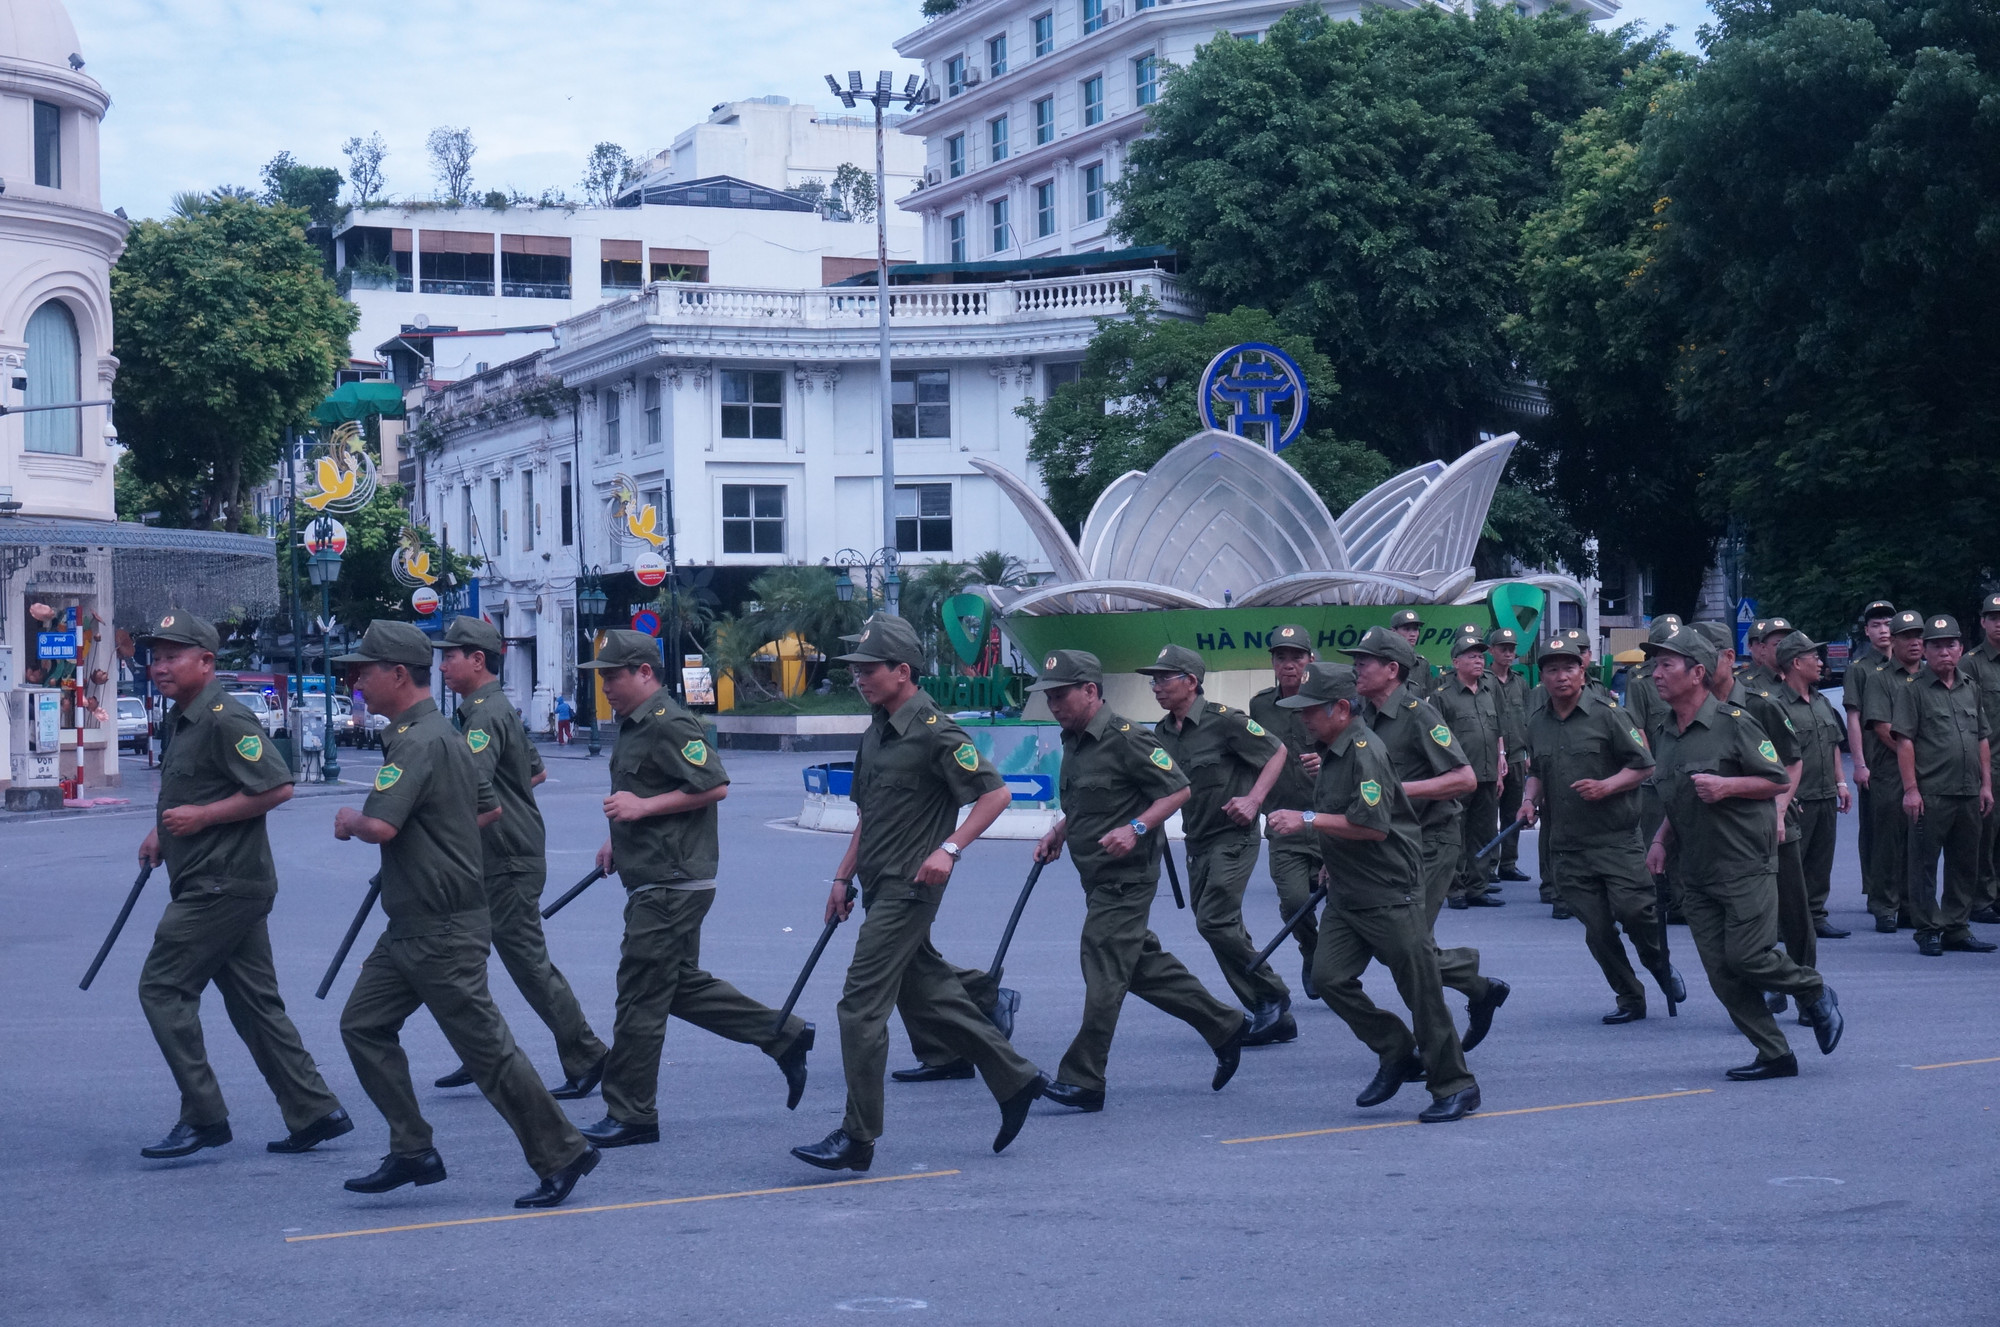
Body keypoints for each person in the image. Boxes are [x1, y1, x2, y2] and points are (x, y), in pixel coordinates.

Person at [331, 620, 598, 1209]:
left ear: (398, 674)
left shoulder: (420, 741)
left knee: (488, 1053)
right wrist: (434, 839)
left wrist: (352, 822)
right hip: (414, 922)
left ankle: (562, 1151)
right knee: (363, 1024)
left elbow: (380, 826)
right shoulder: (444, 734)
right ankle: (412, 1149)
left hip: (441, 928)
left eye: (364, 670)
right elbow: (485, 807)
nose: (356, 682)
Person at [791, 616, 1044, 1171]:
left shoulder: (935, 731)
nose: (859, 678)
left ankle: (858, 1136)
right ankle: (1016, 1079)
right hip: (877, 885)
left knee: (859, 1008)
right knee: (930, 995)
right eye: (855, 669)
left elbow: (995, 796)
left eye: (868, 669)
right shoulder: (877, 731)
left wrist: (949, 849)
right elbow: (869, 815)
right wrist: (842, 876)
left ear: (902, 671)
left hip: (911, 888)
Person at [568, 631, 813, 1151]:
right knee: (672, 986)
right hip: (657, 875)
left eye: (612, 676)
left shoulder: (669, 722)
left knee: (639, 994)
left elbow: (713, 784)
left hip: (672, 883)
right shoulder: (636, 724)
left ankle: (632, 1113)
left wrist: (640, 809)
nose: (605, 686)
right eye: (601, 677)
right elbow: (646, 789)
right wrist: (619, 836)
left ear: (644, 673)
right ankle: (783, 1034)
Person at [130, 612, 349, 1162]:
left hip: (221, 885)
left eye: (173, 656)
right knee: (254, 1004)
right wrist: (163, 831)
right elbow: (197, 788)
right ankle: (315, 1110)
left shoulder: (225, 717)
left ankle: (204, 1116)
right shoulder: (183, 718)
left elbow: (277, 786)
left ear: (206, 661)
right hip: (220, 880)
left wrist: (202, 818)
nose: (160, 667)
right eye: (156, 657)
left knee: (162, 988)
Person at [1030, 650, 1248, 1114]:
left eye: (1061, 695)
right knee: (1139, 966)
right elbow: (1088, 801)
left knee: (1102, 967)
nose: (1053, 705)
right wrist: (1059, 832)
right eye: (1049, 697)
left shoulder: (1126, 737)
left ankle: (1084, 1078)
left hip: (1127, 879)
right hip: (1096, 878)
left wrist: (1136, 828)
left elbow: (1179, 789)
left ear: (1090, 690)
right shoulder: (1075, 741)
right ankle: (1224, 1024)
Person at [1267, 663, 1480, 1121]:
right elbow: (1342, 813)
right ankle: (1396, 1050)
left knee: (1421, 991)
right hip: (1347, 890)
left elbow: (1372, 826)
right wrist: (1329, 858)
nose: (1303, 718)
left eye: (1311, 710)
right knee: (1328, 978)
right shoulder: (1334, 750)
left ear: (1341, 709)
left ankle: (1456, 1085)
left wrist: (1306, 820)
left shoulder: (1365, 752)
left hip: (1388, 891)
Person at [1642, 625, 1843, 1080]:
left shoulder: (1735, 722)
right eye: (1655, 665)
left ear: (1697, 673)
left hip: (1744, 862)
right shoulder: (1665, 732)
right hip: (1695, 869)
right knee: (1721, 973)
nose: (1656, 674)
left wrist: (1727, 786)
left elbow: (1776, 779)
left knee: (1748, 957)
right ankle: (1774, 1053)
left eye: (1666, 664)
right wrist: (1659, 840)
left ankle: (1813, 989)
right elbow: (1677, 795)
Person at [431, 616, 609, 1099]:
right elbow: (534, 772)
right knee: (462, 954)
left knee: (527, 963)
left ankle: (588, 1054)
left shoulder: (485, 715)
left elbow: (470, 787)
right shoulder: (494, 708)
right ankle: (484, 1051)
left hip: (505, 856)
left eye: (450, 656)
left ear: (477, 660)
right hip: (500, 851)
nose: (442, 665)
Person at [1347, 626, 1510, 1051]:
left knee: (1409, 946)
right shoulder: (1363, 716)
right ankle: (1475, 984)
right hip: (1390, 845)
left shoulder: (1420, 713)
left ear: (1391, 669)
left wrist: (1400, 790)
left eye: (1364, 661)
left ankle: (1434, 1044)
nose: (1356, 668)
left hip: (1432, 840)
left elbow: (1463, 778)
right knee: (1403, 945)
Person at [1516, 636, 1682, 1023]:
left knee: (1635, 912)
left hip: (1615, 839)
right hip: (1568, 845)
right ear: (1542, 677)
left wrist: (1607, 786)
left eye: (1569, 668)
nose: (1561, 677)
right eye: (1552, 670)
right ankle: (1629, 996)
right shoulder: (1537, 722)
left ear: (1582, 672)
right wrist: (1528, 800)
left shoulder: (1608, 714)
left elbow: (1644, 765)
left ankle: (1658, 964)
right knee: (1597, 928)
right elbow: (1537, 770)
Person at [1139, 644, 1295, 1044]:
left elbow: (1277, 751)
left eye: (1164, 678)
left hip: (1234, 836)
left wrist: (1254, 800)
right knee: (1220, 926)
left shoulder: (1225, 720)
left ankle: (1272, 994)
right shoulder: (1160, 734)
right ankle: (1269, 1010)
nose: (1156, 687)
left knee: (1214, 920)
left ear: (1191, 682)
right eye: (1153, 680)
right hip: (1198, 841)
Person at [1890, 614, 1995, 956]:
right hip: (1931, 791)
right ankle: (1928, 929)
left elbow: (1981, 738)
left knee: (1964, 863)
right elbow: (1905, 741)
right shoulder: (1914, 690)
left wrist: (1986, 786)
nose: (1944, 652)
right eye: (1936, 646)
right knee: (1923, 864)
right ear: (1926, 651)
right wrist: (1911, 790)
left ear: (1960, 648)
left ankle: (1956, 926)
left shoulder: (1970, 687)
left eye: (1950, 645)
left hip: (1968, 791)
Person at [1249, 624, 1326, 1000]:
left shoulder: (1329, 699)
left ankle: (1334, 963)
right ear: (1273, 663)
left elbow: (1354, 745)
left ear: (1310, 659)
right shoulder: (1261, 706)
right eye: (1281, 657)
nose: (1289, 664)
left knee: (1348, 900)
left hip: (1330, 819)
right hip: (1283, 821)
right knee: (1295, 902)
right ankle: (1312, 952)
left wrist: (1326, 761)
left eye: (1297, 657)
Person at [1771, 632, 1852, 943]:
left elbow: (1833, 745)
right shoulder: (1776, 705)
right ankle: (1783, 923)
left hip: (1825, 794)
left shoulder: (1821, 702)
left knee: (1820, 861)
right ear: (1795, 663)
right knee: (1791, 865)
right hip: (1796, 799)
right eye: (1814, 657)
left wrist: (1840, 782)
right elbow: (1772, 757)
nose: (1820, 663)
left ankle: (1815, 916)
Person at [1862, 611, 1928, 930]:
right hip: (1890, 772)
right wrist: (1916, 756)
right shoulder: (1880, 679)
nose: (1914, 642)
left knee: (1919, 841)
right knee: (1889, 841)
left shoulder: (1931, 677)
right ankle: (1884, 906)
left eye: (1918, 636)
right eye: (1907, 636)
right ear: (1896, 641)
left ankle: (1911, 905)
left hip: (1928, 773)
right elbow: (1883, 728)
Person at [1432, 625, 1505, 907]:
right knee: (1455, 834)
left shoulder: (1489, 690)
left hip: (1487, 774)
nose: (1478, 660)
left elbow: (1497, 730)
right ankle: (1455, 889)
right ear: (1456, 662)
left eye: (1480, 655)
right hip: (1458, 777)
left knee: (1483, 832)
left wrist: (1500, 765)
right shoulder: (1442, 695)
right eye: (1471, 656)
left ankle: (1478, 886)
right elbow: (1436, 741)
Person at [1843, 600, 1899, 927]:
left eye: (1888, 624)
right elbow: (1854, 718)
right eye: (1876, 625)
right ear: (1867, 631)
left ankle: (1901, 894)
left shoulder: (1908, 665)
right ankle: (1876, 892)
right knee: (1876, 832)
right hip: (1876, 759)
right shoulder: (1860, 668)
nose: (1883, 630)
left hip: (1906, 759)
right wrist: (1860, 763)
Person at [1964, 595, 2000, 925]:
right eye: (1993, 617)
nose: (1999, 623)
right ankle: (1981, 898)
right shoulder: (1971, 663)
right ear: (1983, 622)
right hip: (1990, 762)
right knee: (1986, 834)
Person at [1488, 627, 1533, 886]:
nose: (1508, 653)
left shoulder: (1520, 683)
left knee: (1512, 812)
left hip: (1516, 755)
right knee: (1488, 814)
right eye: (1503, 648)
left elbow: (1527, 718)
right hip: (1491, 756)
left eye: (1511, 649)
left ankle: (1508, 863)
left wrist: (1527, 752)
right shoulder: (1484, 681)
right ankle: (1488, 864)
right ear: (1492, 651)